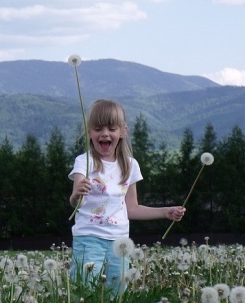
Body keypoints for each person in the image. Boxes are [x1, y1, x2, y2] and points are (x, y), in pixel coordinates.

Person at [68, 99, 185, 291]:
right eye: (98, 129)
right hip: (89, 238)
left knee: (118, 293)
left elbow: (132, 208)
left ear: (123, 131)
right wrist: (76, 194)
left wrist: (165, 212)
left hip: (120, 241)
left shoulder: (130, 165)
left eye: (112, 128)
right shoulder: (84, 162)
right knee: (85, 290)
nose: (105, 133)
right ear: (89, 132)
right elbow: (75, 201)